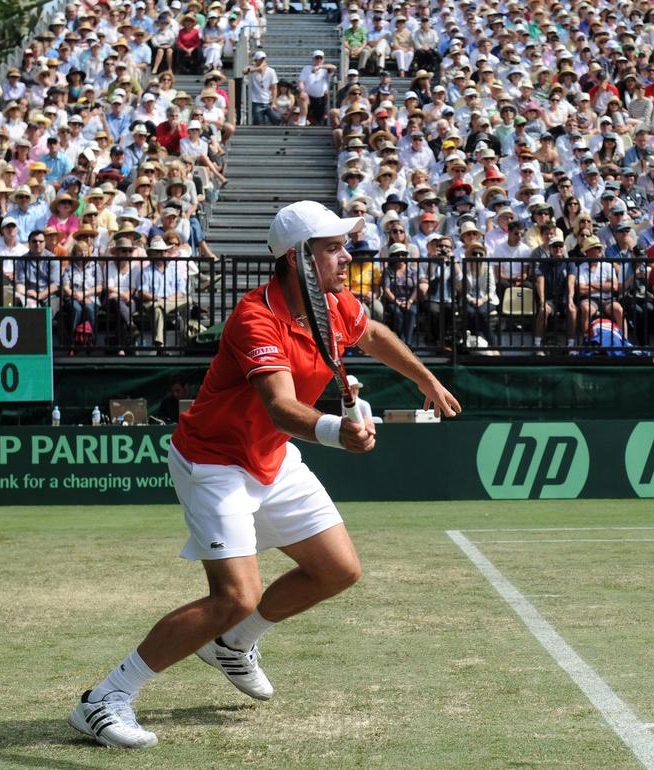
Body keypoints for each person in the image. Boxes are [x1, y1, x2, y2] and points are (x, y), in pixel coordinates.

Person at [68, 200, 461, 749]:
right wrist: (334, 431)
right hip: (213, 462)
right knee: (235, 596)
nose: (347, 256)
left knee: (337, 570)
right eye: (333, 248)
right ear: (299, 258)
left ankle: (234, 645)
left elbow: (370, 332)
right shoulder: (256, 316)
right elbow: (279, 404)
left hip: (272, 458)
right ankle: (104, 700)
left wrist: (424, 379)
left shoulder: (333, 303)